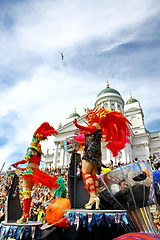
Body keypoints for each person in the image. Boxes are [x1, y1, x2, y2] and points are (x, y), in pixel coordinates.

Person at [73, 106, 131, 210]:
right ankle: (95, 196)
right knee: (93, 175)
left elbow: (90, 129)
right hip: (95, 153)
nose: (89, 117)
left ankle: (93, 196)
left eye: (91, 115)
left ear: (95, 116)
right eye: (88, 116)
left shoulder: (96, 125)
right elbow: (89, 139)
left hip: (91, 153)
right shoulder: (95, 127)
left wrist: (78, 125)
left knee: (86, 173)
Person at [12, 122, 59, 223]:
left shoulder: (31, 149)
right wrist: (21, 168)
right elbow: (32, 165)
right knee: (27, 193)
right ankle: (26, 215)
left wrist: (16, 163)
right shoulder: (39, 153)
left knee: (26, 192)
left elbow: (26, 160)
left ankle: (25, 215)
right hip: (35, 172)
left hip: (30, 172)